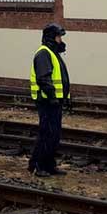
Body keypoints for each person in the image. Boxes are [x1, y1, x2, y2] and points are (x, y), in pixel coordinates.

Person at [28, 23, 70, 177]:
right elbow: (43, 79)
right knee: (47, 134)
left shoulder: (52, 53)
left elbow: (59, 78)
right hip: (47, 102)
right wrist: (52, 97)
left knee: (54, 134)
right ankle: (39, 166)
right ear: (51, 37)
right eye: (59, 36)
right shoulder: (44, 53)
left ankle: (48, 164)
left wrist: (65, 98)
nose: (61, 40)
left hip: (55, 101)